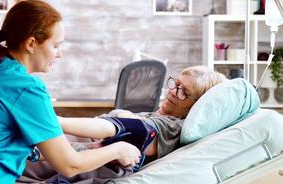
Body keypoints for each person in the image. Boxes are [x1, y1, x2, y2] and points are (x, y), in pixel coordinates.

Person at [0, 0, 141, 184]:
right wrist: (119, 149)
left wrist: (87, 150)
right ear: (31, 43)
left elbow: (5, 144)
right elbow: (70, 166)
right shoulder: (25, 87)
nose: (60, 54)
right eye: (56, 45)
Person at [58, 66, 227, 163]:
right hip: (66, 146)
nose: (174, 92)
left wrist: (55, 123)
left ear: (196, 105)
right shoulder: (155, 115)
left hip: (77, 157)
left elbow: (133, 132)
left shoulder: (173, 126)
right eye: (176, 84)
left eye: (185, 92)